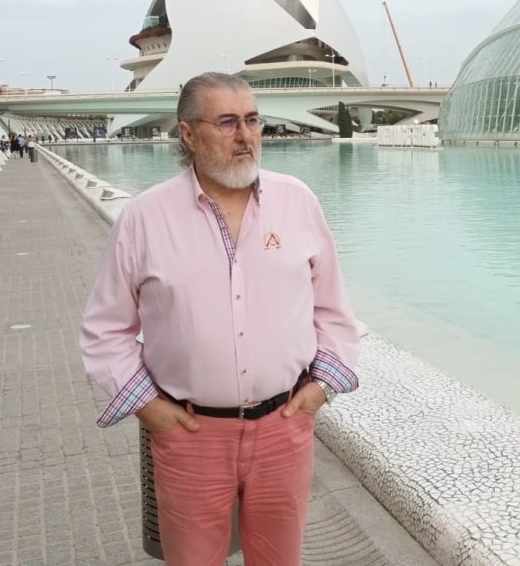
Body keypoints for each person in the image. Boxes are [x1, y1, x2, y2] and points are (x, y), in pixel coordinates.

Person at [79, 72, 359, 566]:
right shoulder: (145, 218)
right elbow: (106, 330)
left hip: (284, 426)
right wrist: (150, 409)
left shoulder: (297, 201)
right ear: (188, 133)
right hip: (190, 434)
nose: (245, 135)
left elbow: (333, 309)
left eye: (253, 120)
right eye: (227, 122)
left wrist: (321, 390)